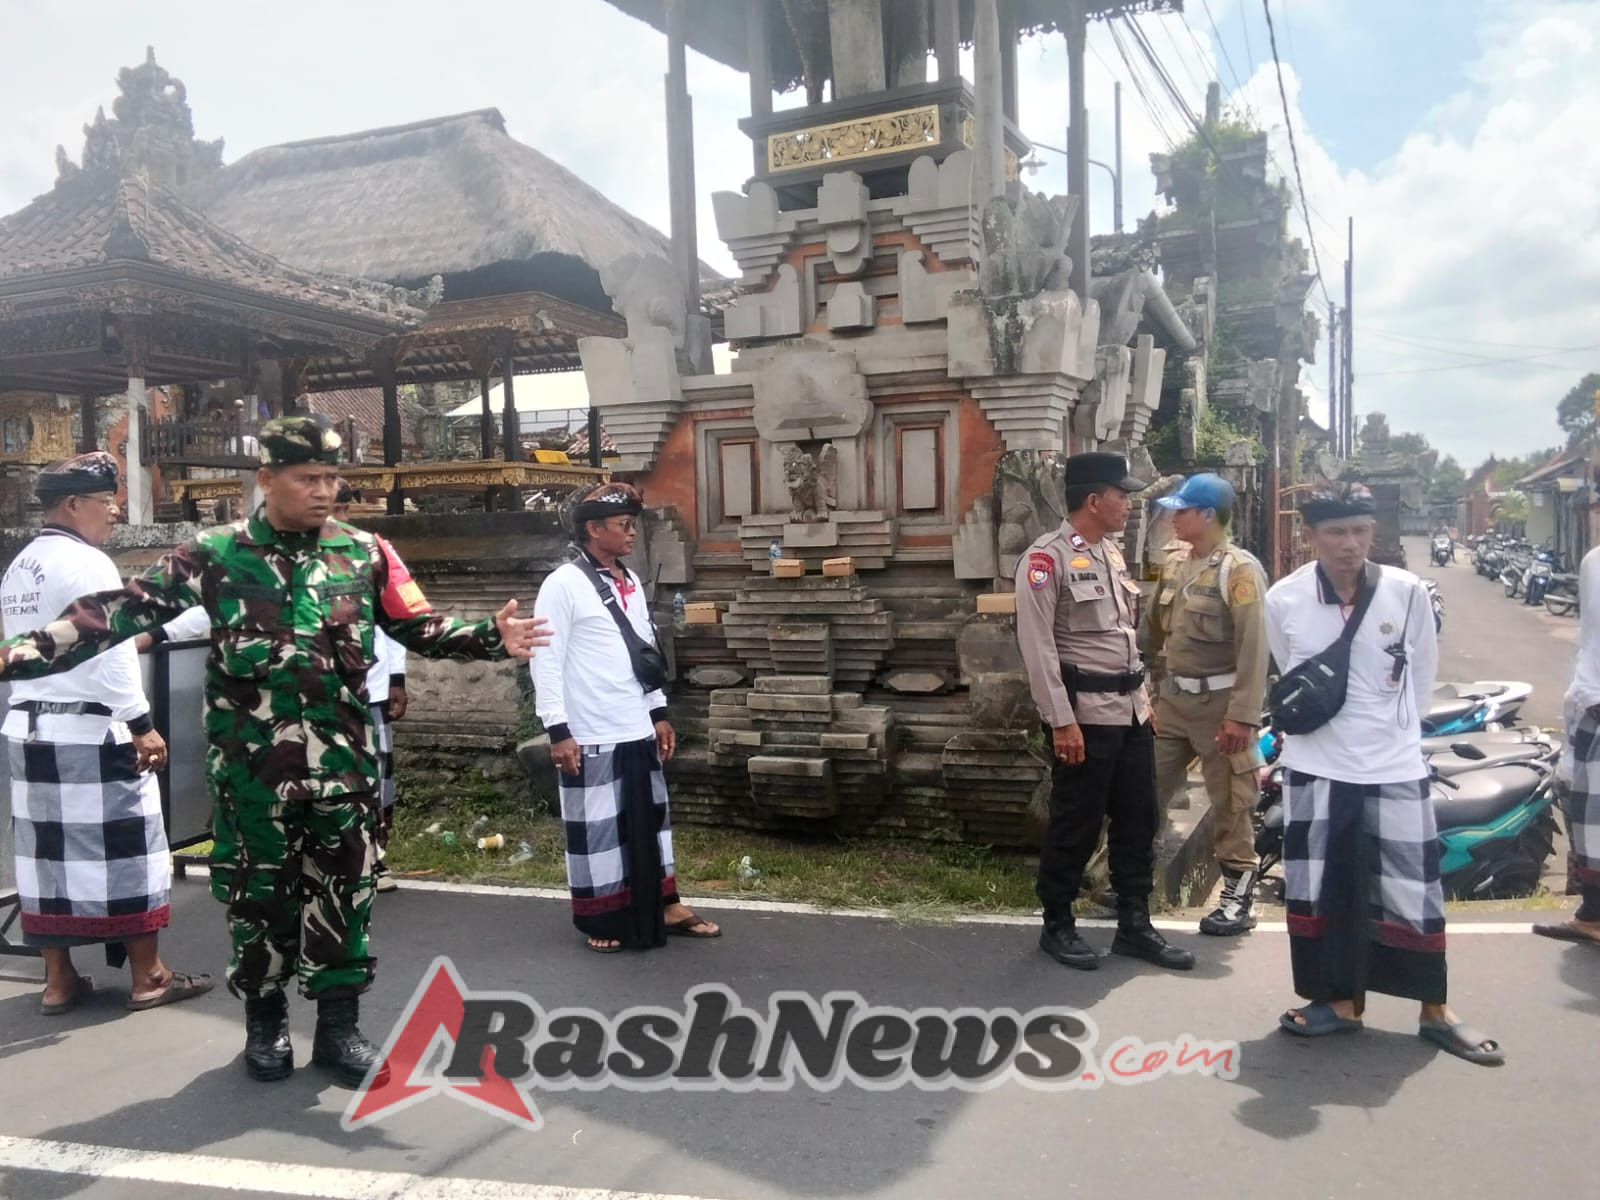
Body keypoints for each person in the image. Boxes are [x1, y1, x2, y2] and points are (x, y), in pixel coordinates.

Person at [0, 414, 549, 1086]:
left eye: (330, 477)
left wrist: (489, 636)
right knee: (259, 903)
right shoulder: (215, 556)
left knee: (344, 900)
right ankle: (265, 1026)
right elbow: (115, 613)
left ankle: (339, 1032)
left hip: (342, 772)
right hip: (252, 777)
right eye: (306, 477)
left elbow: (422, 626)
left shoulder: (367, 554)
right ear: (267, 479)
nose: (323, 490)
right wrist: (20, 654)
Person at [1265, 482, 1502, 1065]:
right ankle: (1339, 1002)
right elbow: (1288, 673)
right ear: (1310, 536)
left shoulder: (1406, 591)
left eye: (1360, 532)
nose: (1350, 545)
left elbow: (1422, 674)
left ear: (1373, 534)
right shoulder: (1284, 599)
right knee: (1320, 887)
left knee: (1412, 888)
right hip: (1315, 766)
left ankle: (1435, 1010)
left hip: (1393, 765)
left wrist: (1396, 740)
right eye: (1336, 533)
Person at [0, 453, 213, 1015]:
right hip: (92, 730)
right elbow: (113, 651)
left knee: (46, 859)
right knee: (130, 850)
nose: (115, 511)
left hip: (29, 730)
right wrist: (142, 725)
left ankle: (59, 982)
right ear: (73, 505)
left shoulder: (21, 566)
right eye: (105, 501)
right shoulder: (86, 562)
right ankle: (149, 975)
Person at [1013, 452, 1194, 973]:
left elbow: (1123, 638)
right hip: (1084, 717)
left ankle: (1135, 924)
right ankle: (1058, 924)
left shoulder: (1110, 554)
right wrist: (1061, 720)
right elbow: (1039, 646)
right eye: (1122, 494)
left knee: (1139, 820)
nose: (1129, 504)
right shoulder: (1046, 559)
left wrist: (1145, 700)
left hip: (1131, 713)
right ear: (1095, 499)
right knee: (1077, 821)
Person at [532, 482, 720, 953]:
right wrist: (558, 729)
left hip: (635, 724)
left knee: (650, 823)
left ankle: (666, 902)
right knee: (599, 833)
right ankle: (603, 915)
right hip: (590, 730)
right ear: (594, 530)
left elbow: (645, 652)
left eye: (632, 525)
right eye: (623, 526)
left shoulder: (630, 581)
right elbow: (546, 659)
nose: (631, 533)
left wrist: (657, 711)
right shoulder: (563, 585)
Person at [1145, 473, 1270, 936]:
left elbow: (1254, 649)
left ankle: (1238, 896)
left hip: (1221, 707)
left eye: (1183, 510)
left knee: (1231, 804)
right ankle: (1135, 879)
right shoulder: (1177, 565)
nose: (1174, 517)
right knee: (1146, 790)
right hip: (1173, 703)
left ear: (1208, 516)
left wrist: (1242, 715)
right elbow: (1154, 632)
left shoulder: (1238, 571)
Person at [331, 480, 407, 894]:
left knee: (379, 780)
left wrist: (397, 678)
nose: (340, 520)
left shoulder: (371, 555)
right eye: (334, 510)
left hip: (372, 691)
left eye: (345, 511)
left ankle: (377, 858)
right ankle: (341, 860)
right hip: (323, 697)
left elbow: (397, 621)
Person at [1533, 537, 1600, 946]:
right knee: (1585, 812)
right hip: (1591, 700)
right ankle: (1591, 914)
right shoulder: (1594, 560)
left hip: (1593, 699)